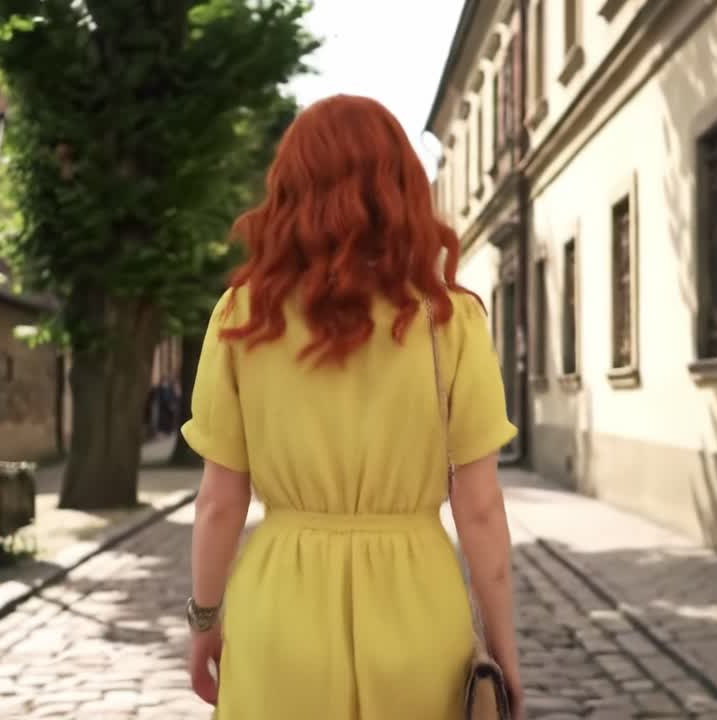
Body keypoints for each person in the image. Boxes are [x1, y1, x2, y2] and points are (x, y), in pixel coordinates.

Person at [180, 94, 524, 719]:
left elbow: (218, 502)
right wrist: (503, 650)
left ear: (288, 191)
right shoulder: (453, 321)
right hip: (420, 616)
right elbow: (480, 510)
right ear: (403, 190)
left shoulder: (241, 318)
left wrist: (204, 620)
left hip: (278, 617)